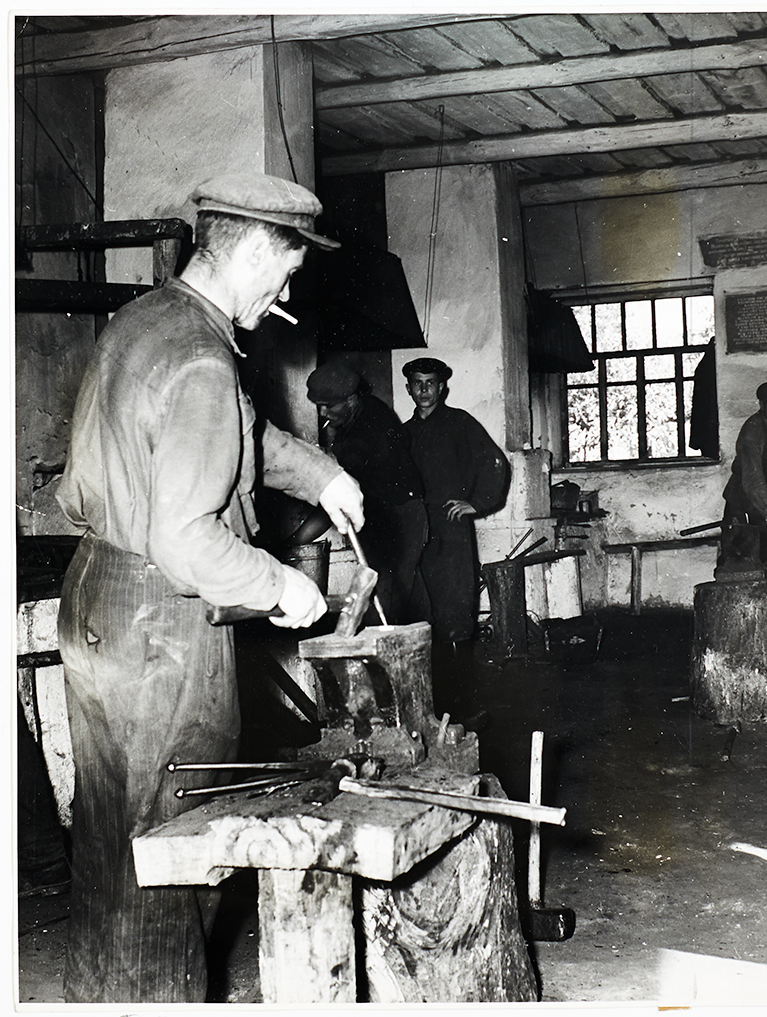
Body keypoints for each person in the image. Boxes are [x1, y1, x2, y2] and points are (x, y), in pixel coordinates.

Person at [55, 172, 364, 1004]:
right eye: (287, 271)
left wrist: (321, 473)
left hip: (97, 598)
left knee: (112, 834)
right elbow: (187, 534)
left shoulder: (150, 320)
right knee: (175, 848)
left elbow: (241, 435)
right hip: (163, 623)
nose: (286, 292)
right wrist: (280, 588)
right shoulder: (202, 353)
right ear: (257, 248)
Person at [301, 360, 429, 625]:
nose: (323, 412)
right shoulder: (365, 409)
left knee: (385, 595)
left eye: (330, 405)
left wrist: (298, 540)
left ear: (350, 399)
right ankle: (437, 656)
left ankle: (384, 661)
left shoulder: (368, 430)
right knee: (408, 590)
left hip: (401, 517)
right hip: (394, 513)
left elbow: (334, 495)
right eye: (319, 405)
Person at [402, 357, 509, 645]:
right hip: (415, 527)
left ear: (442, 388)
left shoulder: (460, 423)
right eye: (417, 384)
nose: (424, 390)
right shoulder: (403, 433)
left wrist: (477, 502)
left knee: (456, 601)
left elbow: (495, 462)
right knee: (419, 603)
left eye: (430, 383)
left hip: (450, 525)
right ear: (408, 389)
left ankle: (461, 675)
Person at [721, 379, 767, 575]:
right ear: (761, 405)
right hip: (746, 503)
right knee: (750, 561)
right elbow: (753, 482)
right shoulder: (752, 431)